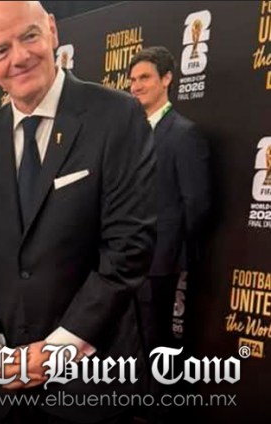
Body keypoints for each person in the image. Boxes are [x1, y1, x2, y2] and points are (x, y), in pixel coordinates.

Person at [0, 2, 155, 424]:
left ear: (52, 31)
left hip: (92, 384)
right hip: (7, 388)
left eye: (29, 36)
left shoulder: (116, 115)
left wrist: (55, 352)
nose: (19, 57)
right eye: (1, 49)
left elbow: (128, 249)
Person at [129, 46, 211, 424]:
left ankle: (160, 411)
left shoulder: (184, 134)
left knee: (157, 338)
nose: (136, 86)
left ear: (166, 79)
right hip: (123, 257)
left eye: (144, 77)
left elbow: (196, 203)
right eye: (132, 79)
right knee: (130, 337)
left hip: (159, 260)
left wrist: (173, 252)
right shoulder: (128, 134)